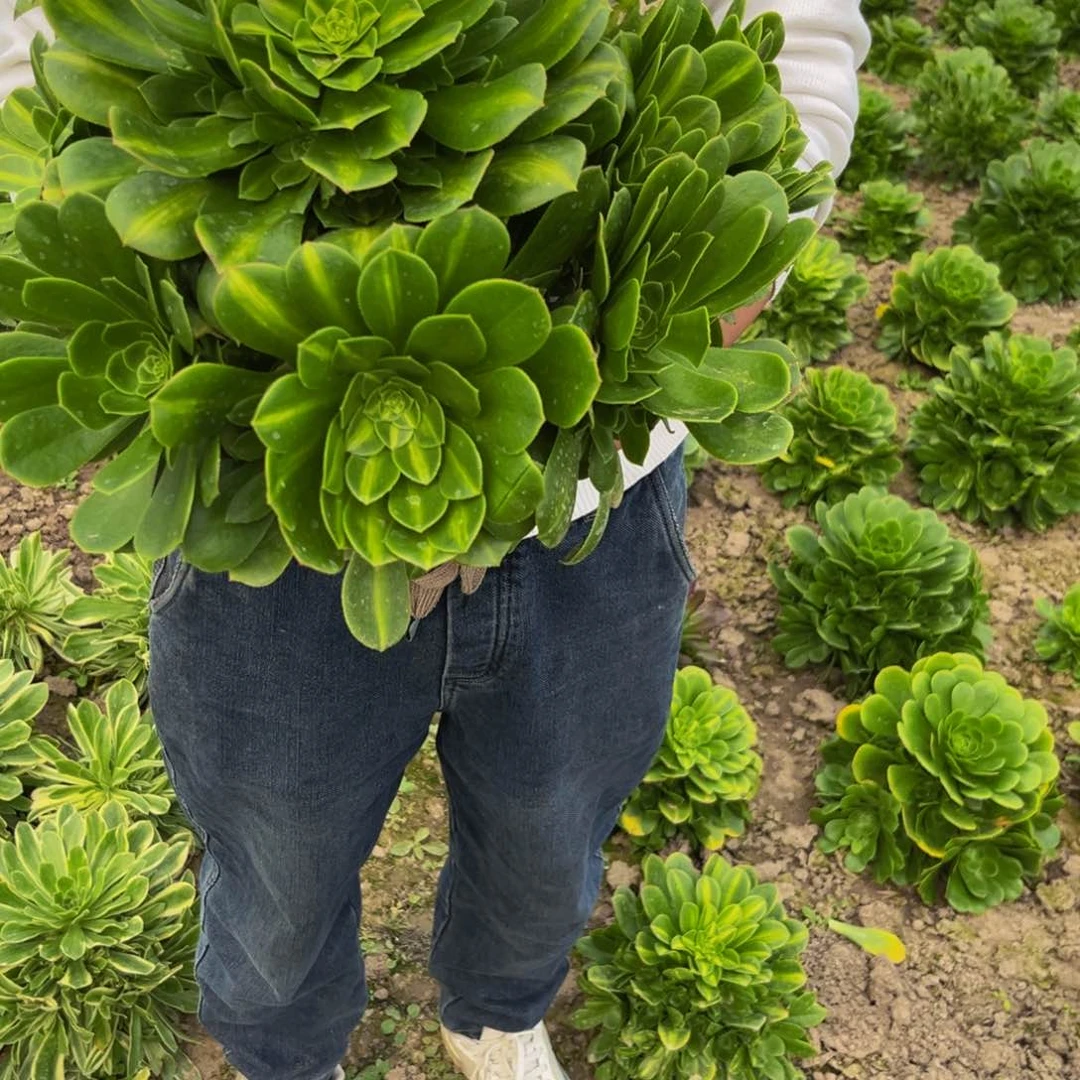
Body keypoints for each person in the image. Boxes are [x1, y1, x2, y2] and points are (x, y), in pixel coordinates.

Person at [0, 2, 869, 1078]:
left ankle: (497, 1016)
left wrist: (703, 304)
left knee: (549, 843)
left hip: (594, 494)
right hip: (279, 515)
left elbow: (801, 45)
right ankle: (285, 1056)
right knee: (279, 868)